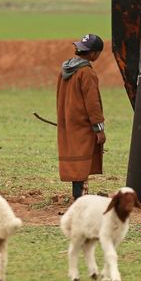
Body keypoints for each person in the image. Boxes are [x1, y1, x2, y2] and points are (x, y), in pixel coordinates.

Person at [56, 34, 106, 202]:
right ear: (93, 54)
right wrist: (99, 129)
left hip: (68, 121)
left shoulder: (65, 70)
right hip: (83, 125)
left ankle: (78, 195)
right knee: (83, 161)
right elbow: (93, 104)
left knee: (76, 159)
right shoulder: (86, 73)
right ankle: (81, 198)